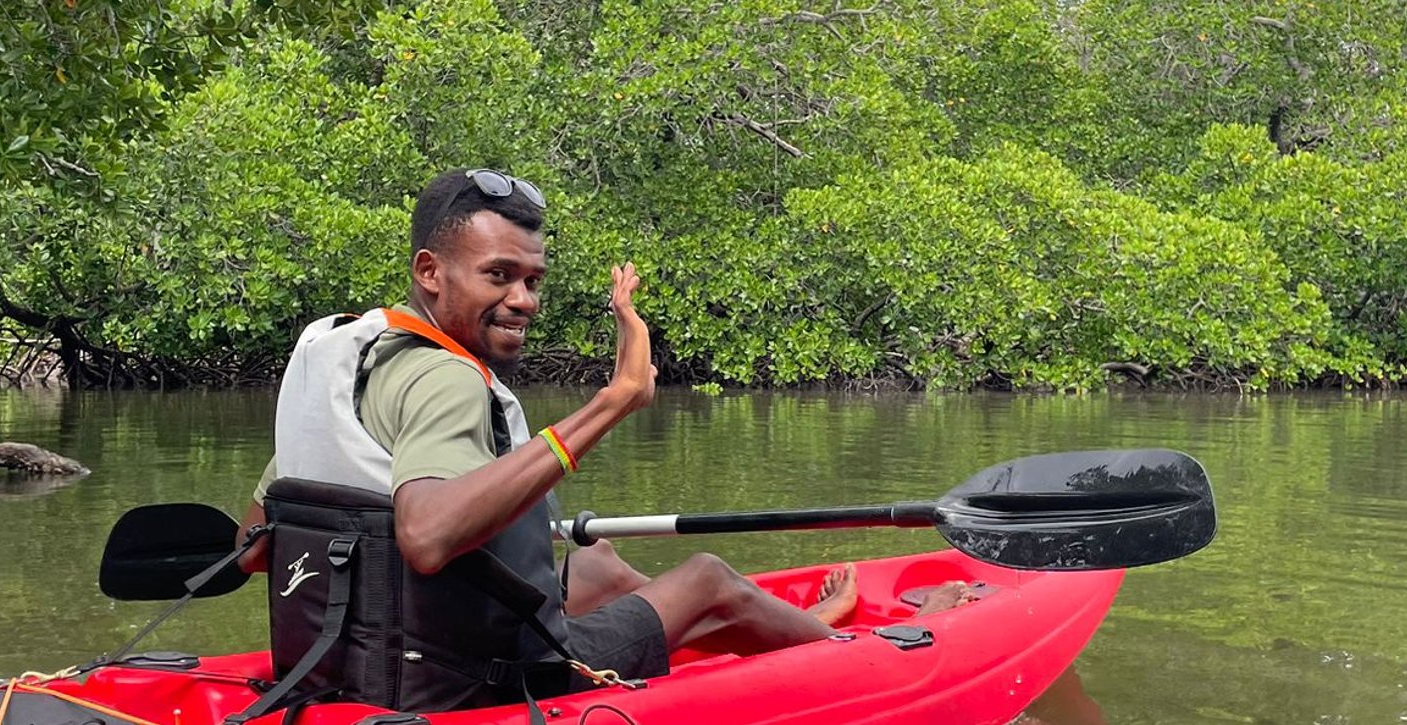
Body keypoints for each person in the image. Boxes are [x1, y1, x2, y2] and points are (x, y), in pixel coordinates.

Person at [238, 168, 966, 711]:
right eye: (499, 276)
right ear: (430, 271)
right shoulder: (447, 379)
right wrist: (613, 402)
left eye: (532, 279)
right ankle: (867, 651)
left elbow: (255, 545)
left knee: (596, 563)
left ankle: (788, 627)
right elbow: (427, 538)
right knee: (708, 578)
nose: (523, 300)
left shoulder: (342, 360)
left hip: (350, 663)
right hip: (472, 680)